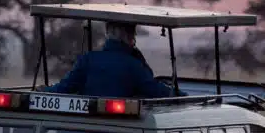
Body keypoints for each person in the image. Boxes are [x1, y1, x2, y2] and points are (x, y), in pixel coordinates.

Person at [42, 21, 182, 99]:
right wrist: (180, 95)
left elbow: (65, 87)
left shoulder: (88, 59)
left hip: (87, 127)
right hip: (122, 127)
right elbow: (156, 90)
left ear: (107, 34)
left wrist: (44, 91)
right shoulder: (133, 65)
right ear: (130, 36)